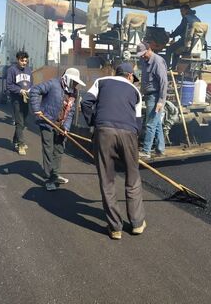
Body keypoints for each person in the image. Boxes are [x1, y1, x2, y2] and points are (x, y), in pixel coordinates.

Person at [81, 62, 146, 240]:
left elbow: (86, 101)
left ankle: (115, 227)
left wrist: (94, 122)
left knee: (107, 179)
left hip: (104, 132)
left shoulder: (101, 81)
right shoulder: (135, 91)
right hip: (129, 133)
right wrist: (132, 140)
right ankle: (137, 223)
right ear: (130, 76)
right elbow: (138, 122)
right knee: (132, 178)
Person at [30, 68, 86, 191]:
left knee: (59, 149)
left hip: (61, 124)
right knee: (48, 149)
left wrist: (66, 127)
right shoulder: (53, 84)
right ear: (67, 79)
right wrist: (36, 109)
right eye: (74, 82)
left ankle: (54, 174)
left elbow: (70, 112)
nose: (76, 85)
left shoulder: (74, 93)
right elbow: (34, 90)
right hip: (47, 122)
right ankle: (49, 179)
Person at [137, 42, 168, 159]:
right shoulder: (144, 61)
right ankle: (160, 149)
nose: (142, 56)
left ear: (149, 49)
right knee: (157, 123)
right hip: (148, 95)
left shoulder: (157, 62)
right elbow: (144, 80)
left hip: (155, 97)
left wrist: (161, 101)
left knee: (150, 124)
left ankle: (146, 151)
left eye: (143, 54)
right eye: (140, 55)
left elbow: (164, 83)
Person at [7, 51, 32, 155]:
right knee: (19, 122)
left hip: (26, 99)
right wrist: (20, 90)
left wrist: (30, 90)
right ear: (18, 60)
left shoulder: (29, 70)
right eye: (22, 60)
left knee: (23, 122)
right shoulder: (12, 70)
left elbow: (31, 83)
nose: (24, 63)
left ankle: (15, 140)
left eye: (26, 61)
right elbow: (9, 85)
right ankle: (20, 145)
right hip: (16, 99)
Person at [166, 4, 200, 69]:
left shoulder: (186, 18)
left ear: (187, 10)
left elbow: (179, 30)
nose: (181, 13)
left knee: (169, 49)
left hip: (186, 43)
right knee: (176, 52)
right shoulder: (197, 19)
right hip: (196, 45)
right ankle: (174, 69)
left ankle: (166, 68)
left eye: (182, 11)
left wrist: (170, 35)